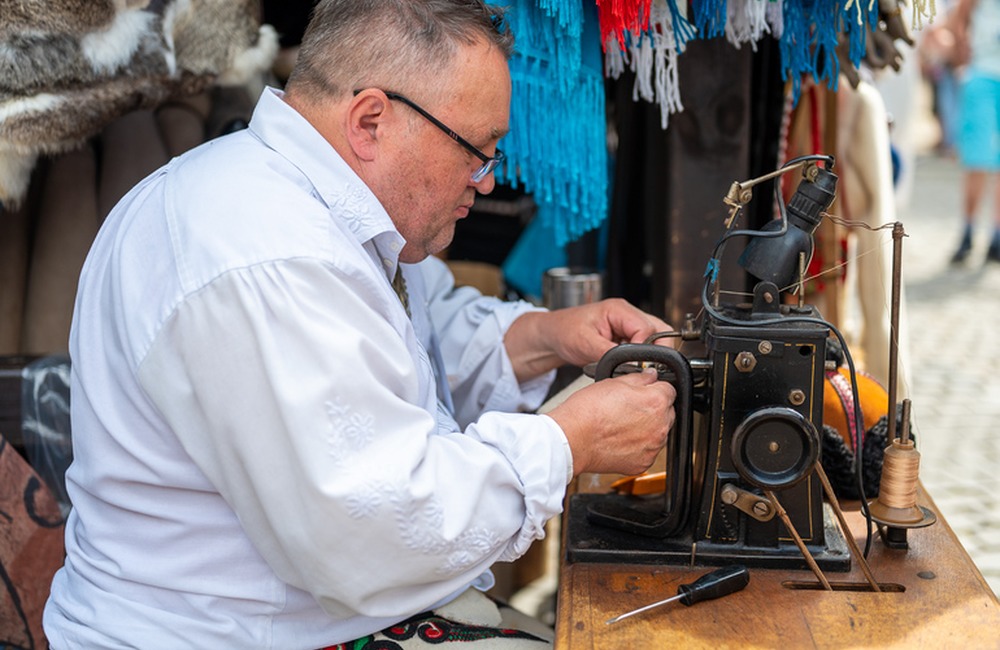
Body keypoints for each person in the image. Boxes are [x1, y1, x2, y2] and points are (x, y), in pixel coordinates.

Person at [42, 1, 677, 648]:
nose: (486, 182)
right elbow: (367, 531)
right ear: (371, 120)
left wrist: (548, 337)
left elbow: (411, 347)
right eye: (476, 151)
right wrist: (570, 441)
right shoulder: (265, 252)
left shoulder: (317, 208)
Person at [949, 0, 1000, 263]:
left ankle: (996, 235)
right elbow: (959, 17)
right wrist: (963, 60)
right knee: (977, 160)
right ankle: (968, 231)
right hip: (982, 75)